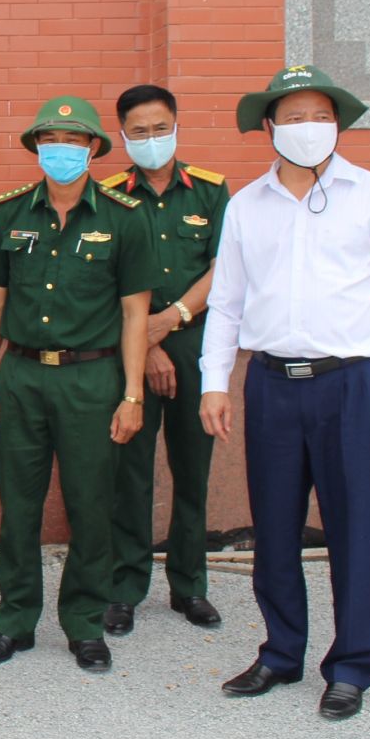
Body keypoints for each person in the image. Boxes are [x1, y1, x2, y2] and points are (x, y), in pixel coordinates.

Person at [200, 64, 370, 722]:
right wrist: (214, 382)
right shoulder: (247, 205)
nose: (307, 128)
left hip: (352, 383)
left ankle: (353, 665)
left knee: (356, 527)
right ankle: (281, 651)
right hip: (272, 382)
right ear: (269, 126)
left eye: (319, 115)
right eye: (293, 117)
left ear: (338, 122)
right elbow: (226, 302)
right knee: (273, 525)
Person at [0, 96, 157, 673]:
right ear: (36, 149)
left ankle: (84, 622)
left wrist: (132, 394)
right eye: (51, 140)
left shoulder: (125, 216)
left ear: (95, 149)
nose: (63, 151)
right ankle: (14, 621)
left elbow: (135, 315)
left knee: (91, 504)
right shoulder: (8, 213)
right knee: (18, 507)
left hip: (92, 379)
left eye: (74, 141)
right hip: (22, 376)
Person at [100, 85, 230, 637]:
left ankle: (190, 585)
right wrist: (146, 342)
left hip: (194, 342)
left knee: (191, 468)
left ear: (176, 125)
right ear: (122, 134)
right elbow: (102, 276)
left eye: (159, 128)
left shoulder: (210, 192)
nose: (150, 139)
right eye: (138, 131)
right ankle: (125, 587)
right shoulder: (107, 195)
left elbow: (226, 266)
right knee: (128, 470)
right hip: (128, 344)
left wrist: (170, 319)